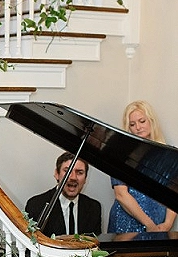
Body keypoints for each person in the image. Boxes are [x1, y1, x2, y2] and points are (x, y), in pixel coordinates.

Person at [108, 100, 176, 234]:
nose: (138, 127)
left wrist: (167, 224)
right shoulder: (120, 154)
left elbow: (174, 192)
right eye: (132, 124)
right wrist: (149, 225)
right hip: (125, 223)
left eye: (142, 121)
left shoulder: (170, 154)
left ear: (152, 121)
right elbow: (121, 194)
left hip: (160, 224)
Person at [25, 151, 102, 236]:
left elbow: (95, 245)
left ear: (85, 178)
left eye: (79, 172)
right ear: (57, 174)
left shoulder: (94, 208)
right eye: (67, 171)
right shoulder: (36, 205)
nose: (73, 177)